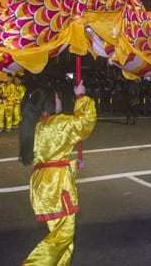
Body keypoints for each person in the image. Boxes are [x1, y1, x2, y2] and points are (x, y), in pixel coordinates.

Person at [19, 81, 97, 265]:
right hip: (55, 185)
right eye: (57, 96)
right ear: (48, 102)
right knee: (63, 234)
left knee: (63, 238)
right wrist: (81, 97)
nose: (60, 99)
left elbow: (48, 158)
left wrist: (70, 163)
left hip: (44, 182)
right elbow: (85, 122)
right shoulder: (58, 123)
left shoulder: (36, 125)